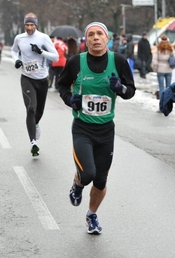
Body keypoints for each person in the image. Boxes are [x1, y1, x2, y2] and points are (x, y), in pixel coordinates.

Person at [57, 22, 136, 234]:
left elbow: (131, 91)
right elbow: (61, 85)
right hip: (83, 128)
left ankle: (91, 215)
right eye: (91, 34)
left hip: (106, 130)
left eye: (99, 34)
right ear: (86, 40)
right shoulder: (76, 62)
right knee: (88, 173)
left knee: (100, 180)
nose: (95, 38)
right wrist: (69, 99)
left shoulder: (117, 61)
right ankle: (78, 183)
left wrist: (120, 88)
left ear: (107, 38)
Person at [11, 12, 58, 156]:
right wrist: (17, 60)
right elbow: (13, 51)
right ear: (24, 25)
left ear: (36, 25)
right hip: (27, 78)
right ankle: (33, 143)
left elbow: (55, 57)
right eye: (27, 24)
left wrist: (41, 51)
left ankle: (35, 124)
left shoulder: (43, 37)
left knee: (39, 111)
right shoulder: (19, 38)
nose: (29, 27)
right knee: (31, 109)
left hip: (42, 79)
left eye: (32, 25)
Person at [152, 34, 175, 99]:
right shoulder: (170, 49)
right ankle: (168, 100)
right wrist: (172, 67)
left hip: (160, 70)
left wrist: (156, 69)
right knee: (168, 87)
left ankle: (162, 102)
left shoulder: (158, 49)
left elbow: (154, 61)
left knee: (161, 87)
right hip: (168, 70)